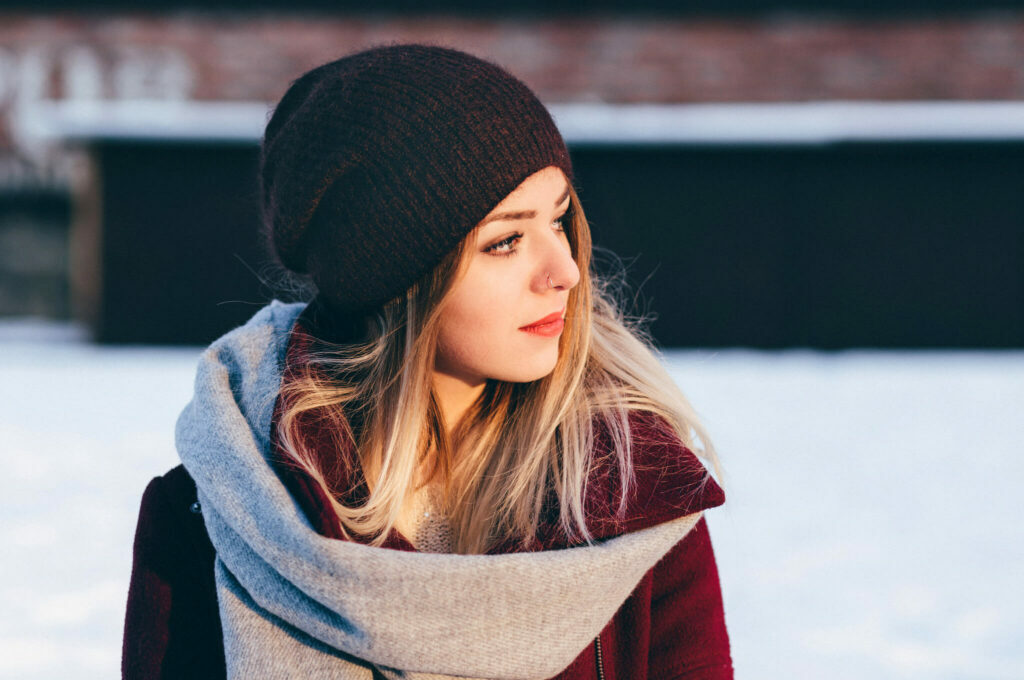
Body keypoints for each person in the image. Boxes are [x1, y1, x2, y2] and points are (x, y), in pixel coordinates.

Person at [122, 43, 733, 679]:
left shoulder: (630, 497)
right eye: (505, 241)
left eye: (559, 221)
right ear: (397, 281)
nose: (566, 271)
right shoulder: (220, 515)